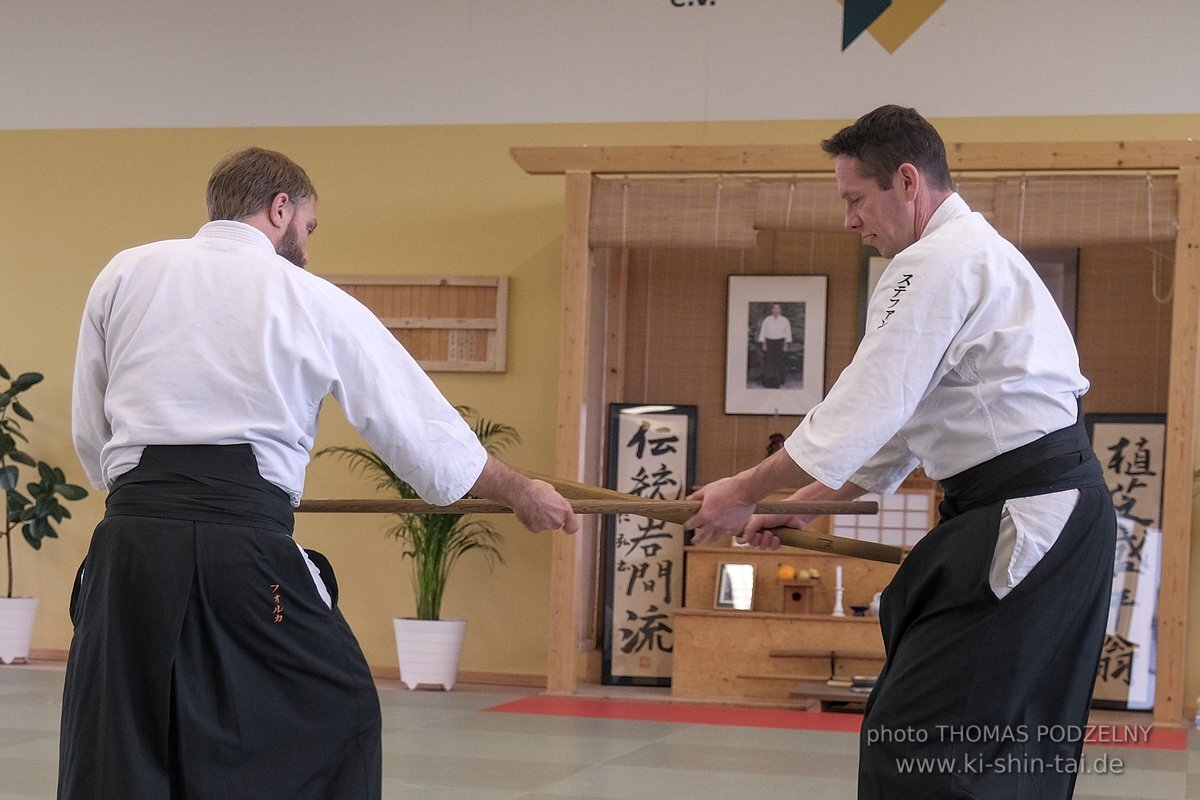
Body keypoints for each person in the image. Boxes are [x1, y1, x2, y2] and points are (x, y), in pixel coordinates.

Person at [62, 146, 578, 800]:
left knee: (124, 742)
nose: (306, 244)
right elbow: (418, 429)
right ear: (281, 208)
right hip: (243, 553)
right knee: (343, 714)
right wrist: (522, 489)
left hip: (128, 549)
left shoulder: (125, 273)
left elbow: (91, 428)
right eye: (308, 227)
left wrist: (151, 503)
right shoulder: (309, 297)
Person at [685, 106, 1115, 799]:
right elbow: (892, 434)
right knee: (988, 741)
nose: (850, 221)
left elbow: (863, 410)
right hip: (1041, 514)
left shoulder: (935, 260)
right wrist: (793, 507)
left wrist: (741, 489)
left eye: (856, 199)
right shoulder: (967, 255)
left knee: (924, 737)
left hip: (1027, 517)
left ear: (906, 180)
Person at [756, 303, 793, 388]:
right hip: (769, 342)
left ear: (780, 310)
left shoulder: (784, 320)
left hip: (780, 342)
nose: (776, 310)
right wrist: (764, 343)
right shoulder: (767, 320)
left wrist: (786, 345)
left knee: (779, 361)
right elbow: (763, 332)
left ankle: (779, 380)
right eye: (774, 308)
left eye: (777, 308)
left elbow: (788, 333)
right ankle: (768, 380)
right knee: (769, 361)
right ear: (772, 310)